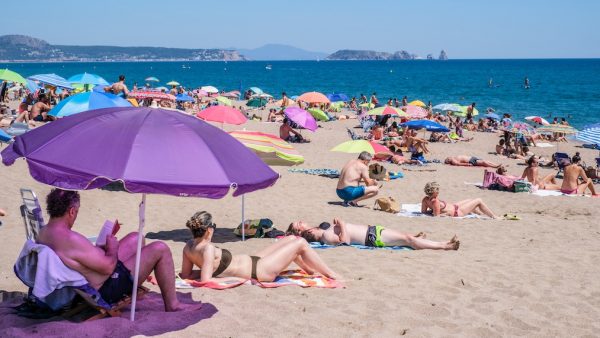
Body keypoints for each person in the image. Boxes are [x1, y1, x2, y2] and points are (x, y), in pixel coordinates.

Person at [36, 189, 194, 311]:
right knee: (161, 248)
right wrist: (111, 249)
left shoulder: (44, 233)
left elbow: (77, 259)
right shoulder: (70, 239)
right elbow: (109, 266)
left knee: (136, 238)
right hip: (104, 290)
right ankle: (173, 304)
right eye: (76, 212)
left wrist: (99, 250)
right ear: (71, 211)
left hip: (91, 278)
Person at [179, 211, 338, 283]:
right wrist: (234, 278)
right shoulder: (207, 249)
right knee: (301, 243)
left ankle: (310, 270)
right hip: (259, 271)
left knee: (291, 238)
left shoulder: (189, 246)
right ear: (209, 230)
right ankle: (332, 274)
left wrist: (210, 269)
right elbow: (206, 280)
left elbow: (186, 274)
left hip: (254, 261)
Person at [289, 218, 459, 250]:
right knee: (409, 240)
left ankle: (422, 241)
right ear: (310, 232)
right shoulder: (326, 237)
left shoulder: (325, 232)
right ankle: (445, 245)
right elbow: (345, 241)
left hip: (372, 232)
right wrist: (341, 223)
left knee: (408, 237)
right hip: (372, 237)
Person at [421, 182, 498, 218]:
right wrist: (445, 214)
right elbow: (436, 216)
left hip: (455, 206)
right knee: (479, 200)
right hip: (457, 212)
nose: (438, 191)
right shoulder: (435, 201)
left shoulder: (425, 199)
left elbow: (423, 212)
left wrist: (432, 210)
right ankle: (493, 216)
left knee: (470, 200)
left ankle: (481, 214)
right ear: (434, 192)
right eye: (437, 190)